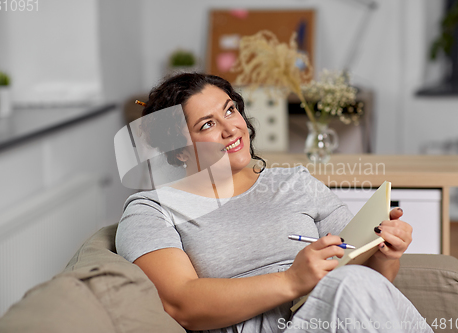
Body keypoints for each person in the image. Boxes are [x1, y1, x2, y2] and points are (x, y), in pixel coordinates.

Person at [115, 73, 432, 333]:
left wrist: (386, 254)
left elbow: (369, 287)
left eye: (229, 110)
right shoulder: (152, 209)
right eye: (207, 125)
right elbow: (180, 304)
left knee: (355, 282)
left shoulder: (295, 182)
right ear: (179, 151)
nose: (231, 129)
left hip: (341, 314)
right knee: (349, 283)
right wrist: (292, 280)